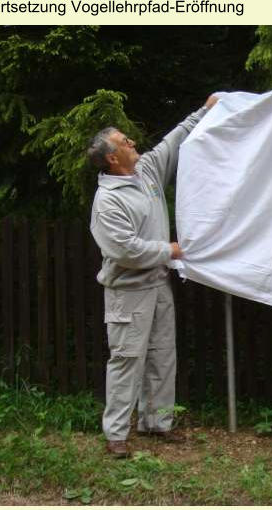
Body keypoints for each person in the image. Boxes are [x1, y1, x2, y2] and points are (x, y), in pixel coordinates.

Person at [88, 95, 217, 458]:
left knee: (162, 355)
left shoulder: (146, 171)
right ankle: (116, 435)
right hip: (127, 293)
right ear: (113, 158)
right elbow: (124, 250)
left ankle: (157, 424)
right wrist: (169, 251)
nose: (133, 143)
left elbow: (173, 141)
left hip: (157, 285)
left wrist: (204, 110)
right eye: (125, 142)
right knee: (127, 360)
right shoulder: (107, 201)